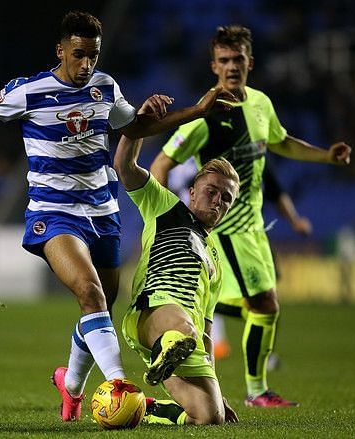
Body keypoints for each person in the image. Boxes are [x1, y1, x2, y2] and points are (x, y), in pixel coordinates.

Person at [0, 11, 228, 422]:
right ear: (61, 50)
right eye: (79, 55)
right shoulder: (29, 92)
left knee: (97, 309)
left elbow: (133, 130)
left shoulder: (104, 88)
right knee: (90, 293)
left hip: (103, 213)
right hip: (55, 212)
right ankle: (120, 386)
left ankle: (70, 386)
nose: (86, 66)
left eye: (94, 57)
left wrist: (196, 110)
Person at [150, 25, 351, 407]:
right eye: (223, 60)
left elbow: (281, 142)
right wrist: (166, 215)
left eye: (237, 59)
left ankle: (183, 320)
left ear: (249, 62)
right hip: (225, 228)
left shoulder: (260, 104)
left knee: (253, 306)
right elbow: (161, 163)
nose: (231, 67)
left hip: (255, 226)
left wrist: (326, 155)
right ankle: (256, 390)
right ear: (213, 66)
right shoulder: (205, 116)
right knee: (266, 304)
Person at [114, 130, 240, 425]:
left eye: (226, 198)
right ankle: (168, 346)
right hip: (153, 312)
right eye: (211, 191)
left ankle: (140, 408)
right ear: (192, 191)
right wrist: (138, 124)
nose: (218, 201)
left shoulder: (215, 263)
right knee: (182, 327)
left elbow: (207, 331)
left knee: (210, 417)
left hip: (189, 337)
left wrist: (218, 392)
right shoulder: (165, 207)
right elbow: (124, 165)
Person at [212, 161, 312, 364]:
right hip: (229, 238)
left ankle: (265, 354)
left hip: (256, 237)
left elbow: (277, 194)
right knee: (260, 298)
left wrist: (294, 221)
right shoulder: (221, 163)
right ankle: (215, 310)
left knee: (268, 293)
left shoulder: (260, 162)